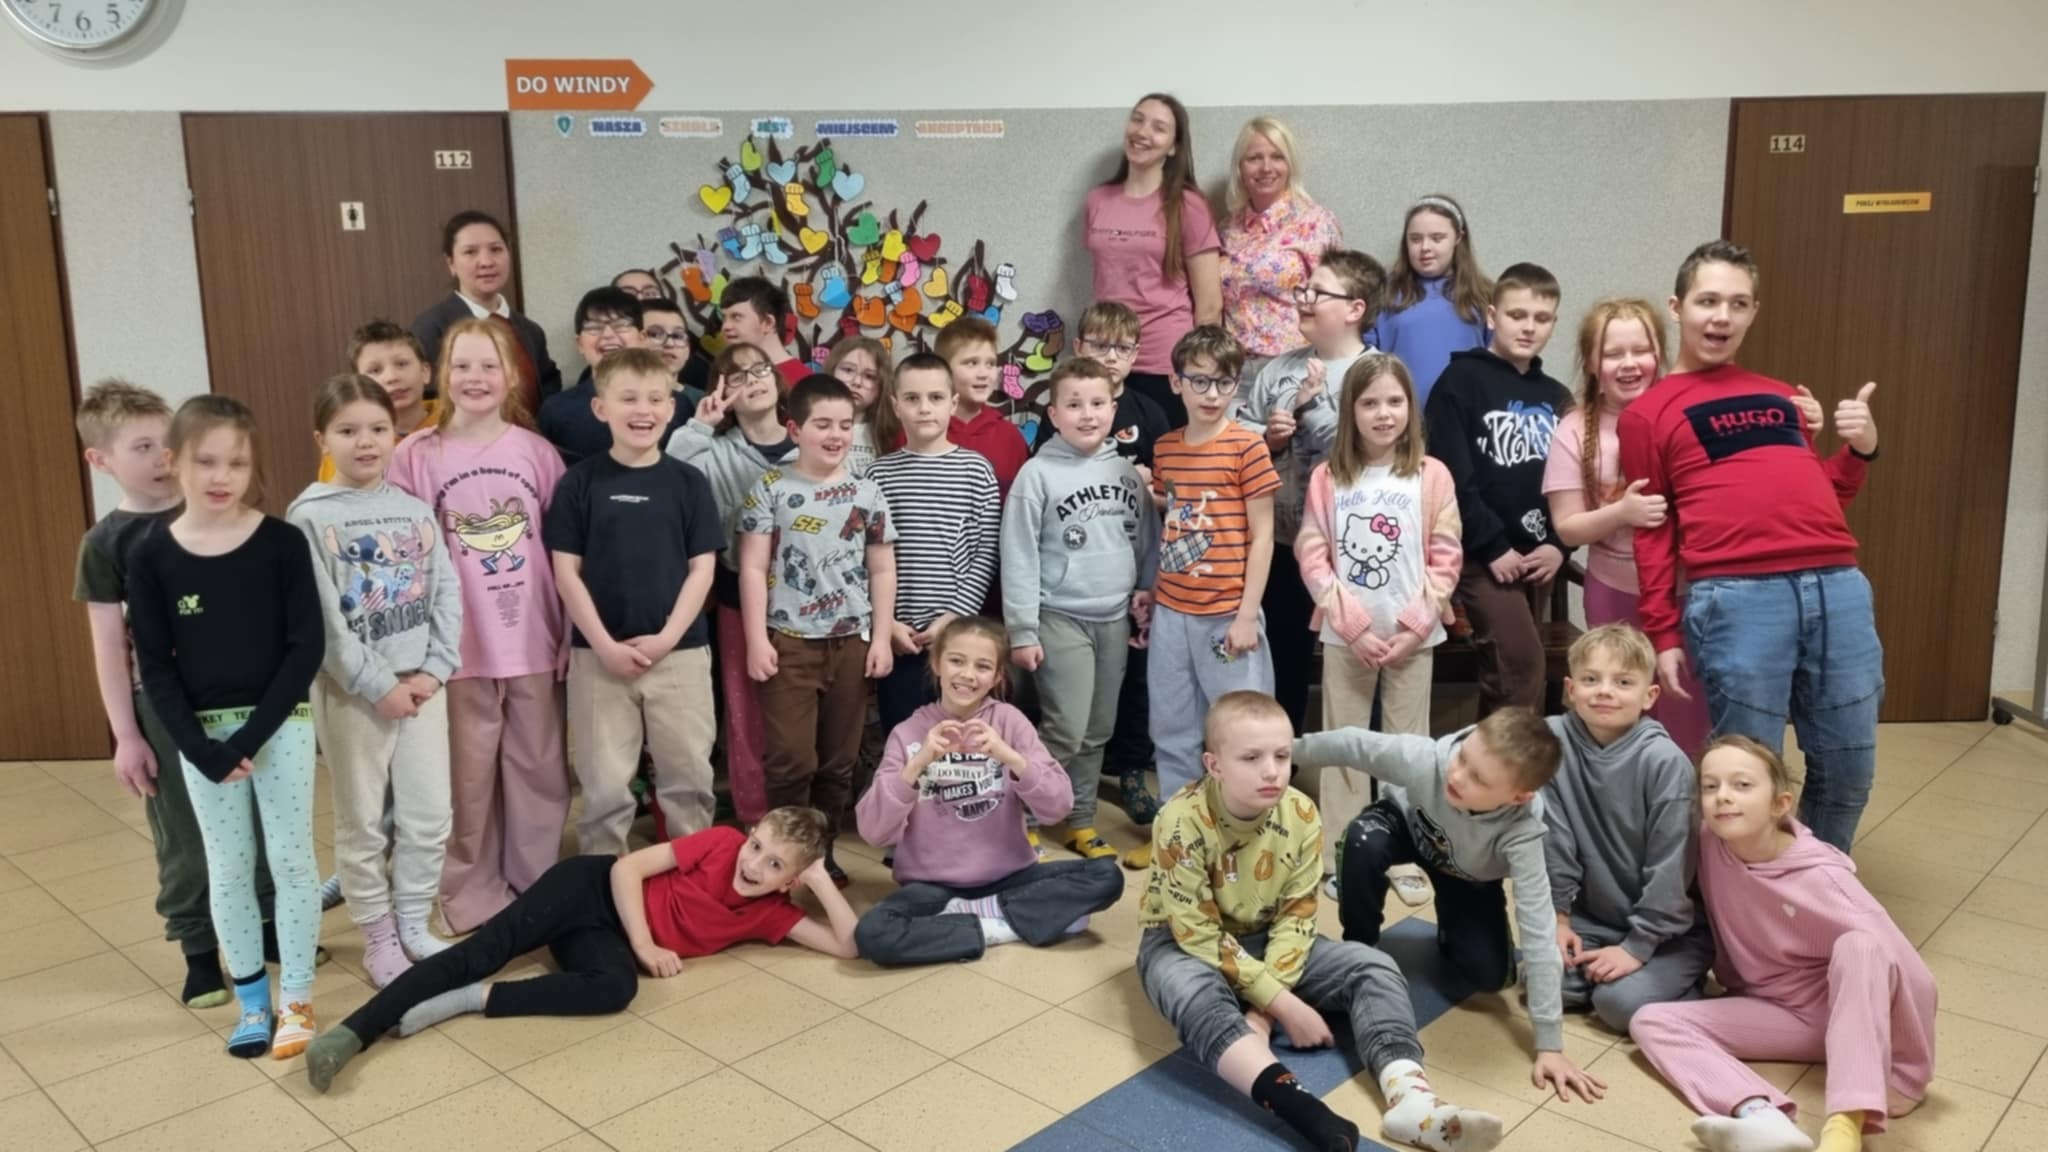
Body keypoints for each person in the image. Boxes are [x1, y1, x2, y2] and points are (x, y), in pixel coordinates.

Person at [1138, 691, 1505, 1152]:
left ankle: (1412, 1102)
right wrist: (1285, 1005)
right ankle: (1305, 1111)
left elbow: (1296, 918)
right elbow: (1197, 932)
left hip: (1268, 938)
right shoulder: (1179, 820)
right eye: (1251, 758)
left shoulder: (1301, 813)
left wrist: (1264, 1012)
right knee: (1192, 993)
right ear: (1214, 765)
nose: (1272, 771)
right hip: (1182, 943)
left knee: (1373, 966)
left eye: (1281, 755)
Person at [1619, 240, 1884, 852]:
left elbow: (1820, 496)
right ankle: (1749, 899)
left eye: (1738, 304)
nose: (1722, 316)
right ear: (1677, 307)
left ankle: (1815, 886)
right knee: (1746, 777)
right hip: (1737, 598)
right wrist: (1662, 631)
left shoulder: (1781, 395)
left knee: (1849, 770)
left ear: (1754, 312)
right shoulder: (1648, 414)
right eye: (1708, 301)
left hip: (1838, 587)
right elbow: (1653, 530)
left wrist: (1861, 449)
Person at [303, 807, 860, 1094]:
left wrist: (820, 879)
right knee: (480, 951)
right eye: (757, 845)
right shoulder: (721, 843)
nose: (753, 863)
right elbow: (627, 868)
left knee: (617, 988)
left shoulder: (772, 913)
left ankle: (471, 1000)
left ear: (791, 881)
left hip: (604, 936)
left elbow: (847, 946)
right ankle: (350, 1034)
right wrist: (645, 943)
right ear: (749, 833)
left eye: (774, 864)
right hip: (590, 887)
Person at [74, 380, 286, 1008]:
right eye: (142, 447)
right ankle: (198, 948)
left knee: (259, 815)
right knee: (188, 833)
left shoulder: (222, 515)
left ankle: (267, 924)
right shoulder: (105, 544)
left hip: (243, 695)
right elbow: (109, 646)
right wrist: (126, 735)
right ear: (101, 459)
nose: (162, 458)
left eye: (169, 443)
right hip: (164, 710)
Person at [129, 395, 325, 1060]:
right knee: (229, 867)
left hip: (281, 725)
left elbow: (305, 648)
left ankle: (296, 998)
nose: (222, 476)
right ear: (174, 462)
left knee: (292, 861)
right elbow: (156, 667)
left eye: (237, 463)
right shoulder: (151, 556)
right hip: (201, 739)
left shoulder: (282, 543)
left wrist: (248, 739)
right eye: (206, 461)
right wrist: (200, 748)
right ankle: (252, 1003)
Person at [1632, 737, 1935, 1152]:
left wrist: (1907, 1075)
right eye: (1710, 786)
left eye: (1742, 785)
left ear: (1780, 804)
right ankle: (1762, 1118)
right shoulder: (1709, 841)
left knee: (1861, 946)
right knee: (1650, 1021)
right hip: (1777, 1014)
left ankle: (1845, 1126)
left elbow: (1917, 979)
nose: (1723, 797)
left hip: (1847, 1017)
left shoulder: (1825, 878)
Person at [1294, 708, 1607, 1102]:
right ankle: (1360, 947)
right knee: (1364, 840)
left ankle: (1451, 927)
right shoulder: (1429, 760)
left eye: (1478, 778)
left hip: (1466, 874)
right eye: (1462, 757)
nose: (1457, 775)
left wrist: (1550, 1045)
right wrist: (1285, 752)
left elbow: (1539, 929)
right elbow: (1354, 744)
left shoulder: (1523, 833)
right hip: (1403, 826)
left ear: (1518, 797)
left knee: (1490, 978)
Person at [390, 318, 570, 933]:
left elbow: (564, 554)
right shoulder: (414, 455)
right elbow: (404, 560)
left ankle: (537, 884)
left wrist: (568, 633)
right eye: (462, 366)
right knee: (466, 780)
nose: (475, 378)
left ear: (511, 375)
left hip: (533, 640)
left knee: (539, 771)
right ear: (442, 375)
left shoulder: (537, 453)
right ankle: (468, 891)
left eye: (489, 366)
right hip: (455, 651)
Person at [288, 375, 464, 987]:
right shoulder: (308, 516)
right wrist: (378, 684)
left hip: (423, 690)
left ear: (396, 434)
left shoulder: (414, 510)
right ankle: (378, 935)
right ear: (322, 439)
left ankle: (414, 921)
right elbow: (323, 622)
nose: (365, 442)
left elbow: (445, 593)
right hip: (354, 696)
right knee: (362, 822)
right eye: (348, 430)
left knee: (429, 814)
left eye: (377, 429)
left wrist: (435, 669)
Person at [855, 617, 1125, 964]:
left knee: (1106, 875)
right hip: (933, 887)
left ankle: (982, 919)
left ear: (997, 676)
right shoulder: (907, 733)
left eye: (982, 666)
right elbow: (873, 832)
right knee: (875, 933)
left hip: (1012, 876)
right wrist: (916, 764)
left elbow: (1058, 806)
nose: (968, 675)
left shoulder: (1010, 722)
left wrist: (1009, 756)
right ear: (936, 663)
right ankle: (1010, 922)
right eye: (957, 661)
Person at [546, 347, 721, 855]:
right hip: (598, 657)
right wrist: (603, 645)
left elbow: (703, 570)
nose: (643, 410)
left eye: (655, 399)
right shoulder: (579, 483)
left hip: (680, 654)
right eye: (628, 399)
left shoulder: (689, 482)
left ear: (671, 408)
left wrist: (667, 638)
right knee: (604, 786)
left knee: (689, 779)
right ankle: (602, 883)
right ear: (600, 408)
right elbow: (566, 573)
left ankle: (693, 878)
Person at [1293, 353, 1460, 874]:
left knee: (1407, 749)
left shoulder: (1432, 475)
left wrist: (1415, 627)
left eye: (1394, 401)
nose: (1384, 414)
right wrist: (1353, 626)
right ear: (1351, 410)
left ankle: (1405, 854)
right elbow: (1312, 555)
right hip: (1348, 637)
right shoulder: (1328, 478)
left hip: (1414, 638)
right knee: (1344, 745)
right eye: (1369, 403)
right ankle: (1342, 852)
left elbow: (1446, 557)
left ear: (1411, 407)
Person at [1124, 326, 1280, 871]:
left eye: (1223, 382)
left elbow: (1263, 536)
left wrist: (1246, 615)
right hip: (1173, 613)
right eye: (1199, 381)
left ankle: (1246, 840)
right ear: (1176, 382)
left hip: (1227, 615)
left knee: (1242, 731)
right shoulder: (1167, 448)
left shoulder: (1247, 446)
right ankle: (1179, 833)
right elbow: (1173, 523)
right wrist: (1153, 588)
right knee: (1171, 728)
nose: (1212, 394)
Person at [738, 375, 898, 885]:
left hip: (852, 643)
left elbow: (882, 569)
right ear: (795, 429)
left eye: (845, 425)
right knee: (791, 760)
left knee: (837, 762)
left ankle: (820, 858)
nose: (836, 435)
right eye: (822, 424)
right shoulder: (772, 488)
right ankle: (781, 856)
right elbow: (751, 568)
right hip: (788, 643)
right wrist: (756, 639)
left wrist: (881, 636)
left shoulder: (867, 492)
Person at [1003, 359, 1159, 860]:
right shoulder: (1037, 475)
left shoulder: (1125, 473)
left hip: (1113, 619)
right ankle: (1021, 818)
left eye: (1097, 404)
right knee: (1066, 729)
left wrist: (1147, 590)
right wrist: (1022, 630)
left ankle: (1080, 820)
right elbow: (1019, 554)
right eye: (1074, 405)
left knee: (1097, 731)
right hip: (1059, 615)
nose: (1087, 414)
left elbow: (1146, 541)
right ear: (1053, 414)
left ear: (1113, 409)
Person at [1544, 298, 1711, 758]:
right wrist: (1622, 513)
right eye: (1613, 353)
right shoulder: (1573, 431)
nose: (1629, 363)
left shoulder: (1690, 413)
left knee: (1686, 714)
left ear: (1660, 353)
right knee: (1616, 713)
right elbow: (1568, 527)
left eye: (1641, 350)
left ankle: (1681, 799)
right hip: (1614, 594)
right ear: (1591, 363)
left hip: (1690, 594)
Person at [1233, 248, 1386, 734]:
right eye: (1303, 289)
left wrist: (1311, 405)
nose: (1303, 299)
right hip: (1283, 541)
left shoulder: (1379, 374)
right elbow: (1239, 436)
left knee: (1359, 657)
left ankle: (1362, 766)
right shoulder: (1277, 369)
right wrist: (1269, 438)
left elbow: (1369, 452)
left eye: (1317, 292)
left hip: (1355, 549)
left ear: (1355, 308)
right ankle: (1284, 755)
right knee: (1283, 656)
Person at [1036, 302, 1173, 827]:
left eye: (1122, 348)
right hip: (1071, 588)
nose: (1110, 357)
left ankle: (1131, 771)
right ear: (1079, 347)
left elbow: (1169, 491)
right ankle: (1041, 803)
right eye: (1099, 345)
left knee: (1134, 684)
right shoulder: (1054, 417)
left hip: (1129, 580)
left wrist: (1149, 491)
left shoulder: (1148, 411)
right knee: (1070, 711)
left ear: (1136, 355)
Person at [1543, 624, 1713, 1033]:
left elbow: (1672, 867)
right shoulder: (1551, 742)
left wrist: (1636, 948)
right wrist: (1559, 919)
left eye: (1623, 682)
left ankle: (1683, 985)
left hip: (1669, 931)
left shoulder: (1665, 763)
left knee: (1616, 1004)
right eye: (1591, 679)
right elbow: (1554, 840)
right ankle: (1625, 977)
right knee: (1545, 985)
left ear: (1649, 696)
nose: (1605, 691)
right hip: (1593, 920)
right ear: (1570, 689)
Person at [1424, 263, 1573, 718]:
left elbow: (1576, 483)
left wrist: (1559, 546)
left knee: (1511, 674)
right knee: (1521, 665)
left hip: (1538, 558)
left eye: (1541, 318)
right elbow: (1451, 477)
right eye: (1517, 315)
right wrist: (1492, 546)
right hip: (1481, 556)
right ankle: (1511, 763)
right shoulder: (1460, 382)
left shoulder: (1557, 396)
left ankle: (1496, 758)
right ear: (1492, 316)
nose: (1529, 327)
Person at [665, 343, 796, 823]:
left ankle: (801, 817)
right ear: (721, 390)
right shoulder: (713, 451)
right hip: (738, 595)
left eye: (760, 369)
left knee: (800, 713)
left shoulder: (809, 439)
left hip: (808, 602)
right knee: (746, 713)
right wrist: (701, 424)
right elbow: (670, 472)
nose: (752, 380)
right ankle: (755, 815)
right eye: (737, 376)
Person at [868, 352, 1000, 733]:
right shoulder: (878, 474)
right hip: (901, 635)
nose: (924, 408)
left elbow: (986, 552)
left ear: (953, 404)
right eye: (912, 398)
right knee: (904, 734)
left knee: (960, 735)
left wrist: (955, 616)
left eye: (935, 398)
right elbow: (865, 560)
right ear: (896, 406)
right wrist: (886, 624)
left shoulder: (976, 470)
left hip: (958, 634)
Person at [1085, 93, 1221, 428]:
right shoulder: (1098, 200)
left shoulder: (1188, 205)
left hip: (1164, 361)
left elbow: (1210, 305)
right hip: (1104, 358)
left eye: (1159, 128)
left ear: (1173, 147)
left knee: (1163, 455)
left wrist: (1200, 373)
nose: (1143, 132)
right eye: (1137, 119)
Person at [1217, 116, 1344, 383]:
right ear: (1240, 167)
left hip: (1293, 367)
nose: (1266, 168)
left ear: (1290, 165)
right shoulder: (1227, 228)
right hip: (1233, 368)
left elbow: (1337, 299)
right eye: (1254, 158)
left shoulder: (1316, 222)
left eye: (1277, 157)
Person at [412, 209, 560, 408]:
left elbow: (550, 389)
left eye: (496, 249)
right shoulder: (430, 328)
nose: (487, 262)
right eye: (470, 252)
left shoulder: (531, 330)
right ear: (451, 263)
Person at [1367, 196, 1490, 404]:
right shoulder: (1383, 292)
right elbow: (1365, 362)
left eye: (1437, 238)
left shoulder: (1483, 294)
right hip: (1400, 415)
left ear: (1458, 237)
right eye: (1415, 239)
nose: (1425, 247)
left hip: (1466, 415)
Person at [536, 287, 652, 467]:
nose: (608, 335)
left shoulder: (672, 405)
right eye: (594, 328)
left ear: (642, 338)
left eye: (621, 325)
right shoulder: (556, 411)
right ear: (580, 344)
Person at [317, 323, 440, 484]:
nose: (392, 377)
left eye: (402, 364)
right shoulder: (347, 442)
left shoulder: (457, 420)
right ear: (359, 383)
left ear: (425, 372)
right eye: (375, 370)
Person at [937, 316, 1028, 501]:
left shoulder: (1011, 438)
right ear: (943, 370)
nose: (984, 373)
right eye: (972, 363)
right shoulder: (921, 431)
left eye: (991, 364)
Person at [719, 276, 808, 387]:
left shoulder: (803, 383)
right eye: (724, 318)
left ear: (768, 323)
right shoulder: (728, 378)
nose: (725, 326)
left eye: (736, 317)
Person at [824, 336, 889, 477]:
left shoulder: (888, 433)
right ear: (832, 371)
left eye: (869, 376)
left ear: (880, 387)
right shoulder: (810, 423)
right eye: (848, 370)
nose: (857, 382)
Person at [638, 295, 709, 412]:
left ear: (688, 350)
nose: (669, 343)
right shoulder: (611, 395)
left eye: (677, 336)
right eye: (655, 334)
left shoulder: (707, 403)